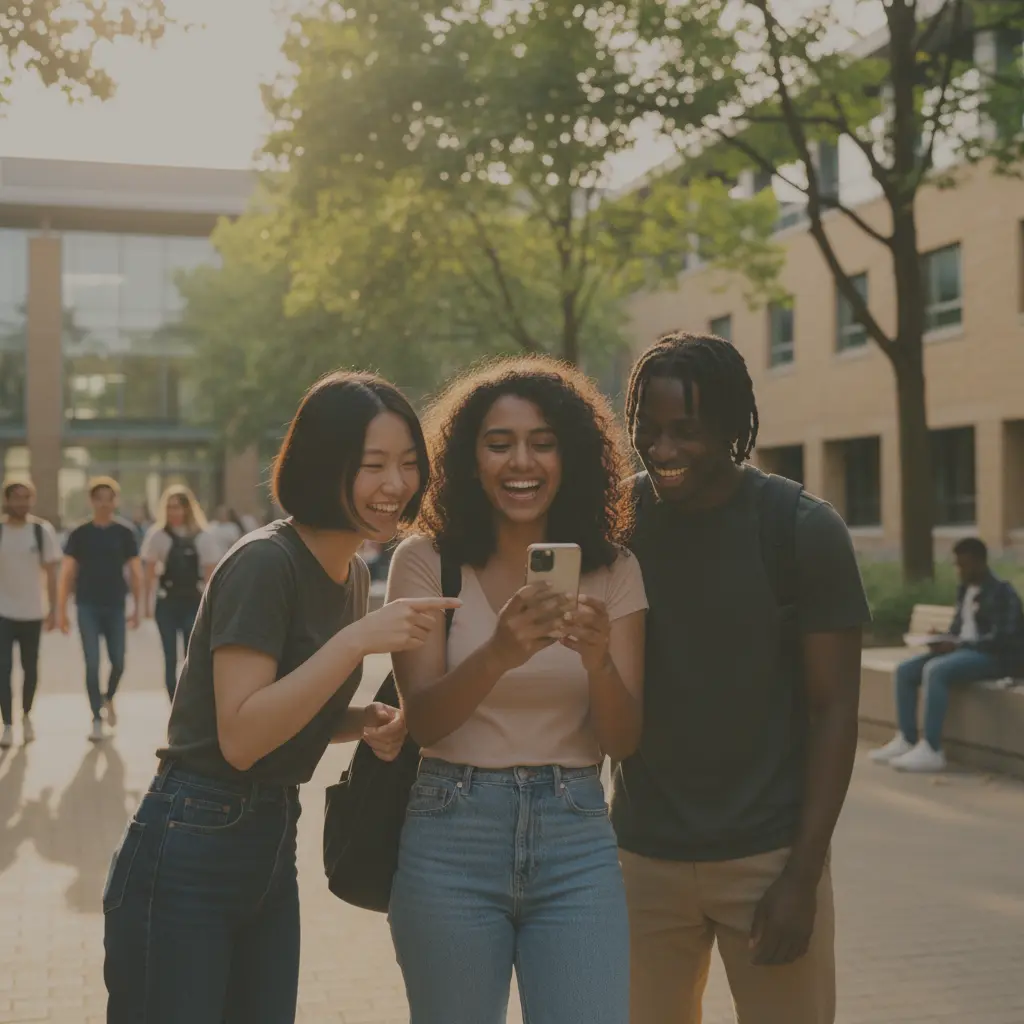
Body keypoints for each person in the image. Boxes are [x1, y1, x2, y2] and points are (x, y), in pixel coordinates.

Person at [102, 371, 459, 1024]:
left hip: (269, 831)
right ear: (327, 465)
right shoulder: (266, 563)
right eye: (373, 464)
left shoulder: (349, 570)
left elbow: (284, 713)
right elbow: (239, 737)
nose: (396, 484)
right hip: (193, 833)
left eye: (408, 463)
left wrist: (360, 719)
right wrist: (356, 642)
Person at [614, 332, 870, 1024]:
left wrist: (802, 876)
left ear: (732, 428)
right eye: (649, 431)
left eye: (685, 432)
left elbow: (834, 711)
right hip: (641, 858)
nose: (662, 451)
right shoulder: (617, 524)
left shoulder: (801, 529)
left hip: (769, 858)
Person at [387, 357, 647, 1024]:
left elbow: (623, 740)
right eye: (498, 443)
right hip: (452, 834)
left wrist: (598, 664)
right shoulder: (425, 560)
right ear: (470, 459)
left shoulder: (614, 569)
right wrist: (499, 653)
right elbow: (424, 722)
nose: (520, 462)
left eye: (543, 442)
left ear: (571, 458)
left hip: (576, 837)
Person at [871, 537, 1024, 773]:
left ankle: (932, 749)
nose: (959, 570)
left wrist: (959, 644)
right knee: (905, 671)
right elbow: (958, 629)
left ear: (980, 562)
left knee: (936, 670)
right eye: (957, 564)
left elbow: (1005, 638)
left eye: (964, 565)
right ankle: (906, 739)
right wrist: (940, 638)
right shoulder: (964, 589)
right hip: (964, 652)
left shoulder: (1003, 592)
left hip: (995, 659)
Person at [57, 478, 143, 742]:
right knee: (92, 662)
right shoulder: (79, 533)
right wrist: (60, 610)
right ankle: (96, 717)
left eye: (109, 498)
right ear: (91, 501)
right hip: (87, 605)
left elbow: (136, 572)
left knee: (118, 661)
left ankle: (109, 697)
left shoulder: (124, 532)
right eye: (99, 498)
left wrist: (138, 608)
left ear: (115, 501)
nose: (104, 503)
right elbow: (67, 572)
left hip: (115, 605)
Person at [141, 485, 219, 700]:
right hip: (166, 603)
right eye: (170, 507)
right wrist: (145, 605)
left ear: (188, 509)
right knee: (169, 656)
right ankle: (173, 703)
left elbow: (211, 576)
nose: (174, 512)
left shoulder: (203, 536)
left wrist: (213, 609)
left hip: (193, 603)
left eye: (178, 507)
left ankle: (189, 702)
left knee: (190, 657)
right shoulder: (157, 535)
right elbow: (148, 572)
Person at [0, 480, 61, 748]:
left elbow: (51, 573)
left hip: (33, 611)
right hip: (2, 611)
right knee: (3, 669)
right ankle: (7, 724)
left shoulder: (40, 531)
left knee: (30, 668)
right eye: (17, 498)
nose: (22, 503)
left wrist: (54, 609)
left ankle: (26, 716)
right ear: (7, 500)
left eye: (26, 498)